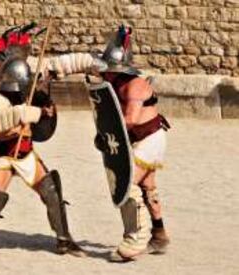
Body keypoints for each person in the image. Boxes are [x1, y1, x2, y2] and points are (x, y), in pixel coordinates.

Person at [0, 24, 86, 261]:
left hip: (26, 154)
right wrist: (22, 113)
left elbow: (62, 65)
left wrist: (92, 62)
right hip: (5, 156)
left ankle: (64, 239)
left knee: (51, 191)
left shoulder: (32, 85)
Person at [43, 25, 171, 261]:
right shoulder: (112, 78)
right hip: (136, 139)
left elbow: (130, 120)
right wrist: (52, 68)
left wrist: (108, 134)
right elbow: (83, 61)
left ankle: (135, 240)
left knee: (127, 183)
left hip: (149, 139)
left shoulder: (136, 86)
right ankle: (160, 235)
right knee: (148, 186)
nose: (106, 73)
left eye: (111, 70)